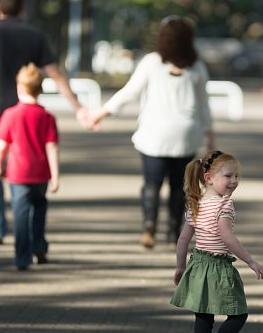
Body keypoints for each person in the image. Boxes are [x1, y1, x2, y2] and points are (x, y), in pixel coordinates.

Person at [0, 0, 88, 246]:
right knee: (26, 168)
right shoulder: (34, 36)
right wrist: (78, 107)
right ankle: (27, 226)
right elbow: (55, 73)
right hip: (26, 115)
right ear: (23, 8)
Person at [89, 16, 214, 249]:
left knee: (151, 183)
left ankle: (149, 225)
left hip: (154, 133)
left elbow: (130, 92)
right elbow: (204, 105)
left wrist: (101, 113)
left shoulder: (152, 62)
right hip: (185, 135)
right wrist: (210, 136)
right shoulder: (197, 66)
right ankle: (174, 231)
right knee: (180, 186)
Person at [171, 150, 263, 333]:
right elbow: (228, 237)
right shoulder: (224, 206)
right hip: (218, 267)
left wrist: (180, 267)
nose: (233, 181)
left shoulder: (196, 203)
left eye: (236, 176)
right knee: (239, 313)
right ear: (209, 178)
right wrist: (250, 261)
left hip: (198, 265)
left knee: (203, 318)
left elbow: (183, 239)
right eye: (228, 176)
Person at [0, 63, 59, 271]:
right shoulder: (47, 117)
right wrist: (55, 176)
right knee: (39, 208)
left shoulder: (10, 114)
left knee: (20, 215)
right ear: (40, 89)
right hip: (41, 174)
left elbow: (0, 146)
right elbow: (52, 148)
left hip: (18, 174)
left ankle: (22, 257)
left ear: (19, 88)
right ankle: (39, 246)